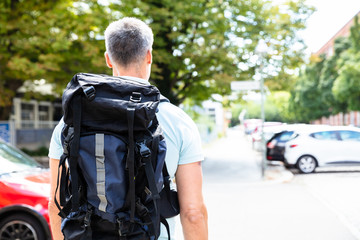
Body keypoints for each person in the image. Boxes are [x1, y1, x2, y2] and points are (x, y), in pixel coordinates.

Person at [48, 17, 208, 240]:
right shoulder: (178, 121)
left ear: (108, 59)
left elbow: (57, 202)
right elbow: (193, 212)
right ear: (149, 55)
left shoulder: (72, 120)